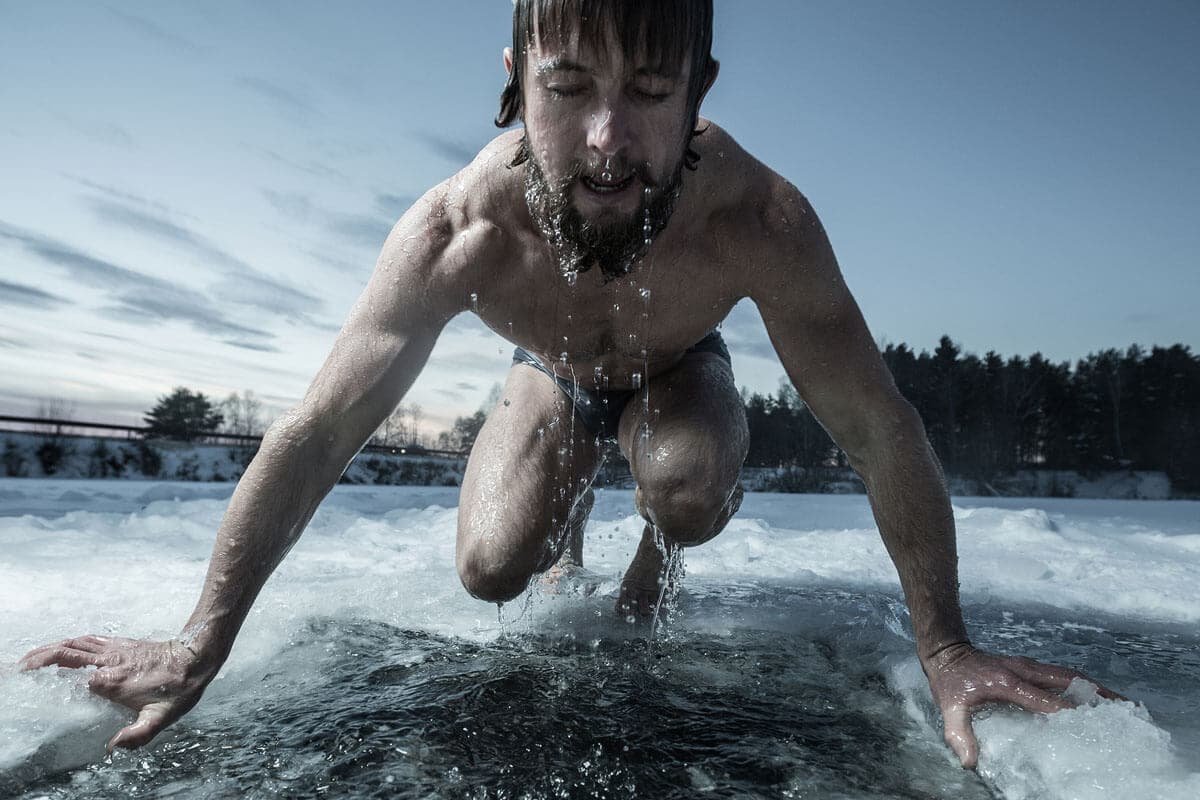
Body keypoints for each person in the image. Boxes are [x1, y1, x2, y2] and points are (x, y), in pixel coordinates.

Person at [20, 0, 1120, 770]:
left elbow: (878, 427)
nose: (607, 142)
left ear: (699, 93)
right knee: (492, 568)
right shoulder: (458, 231)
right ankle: (576, 482)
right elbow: (317, 429)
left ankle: (653, 532)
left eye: (651, 91)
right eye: (568, 86)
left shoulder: (757, 220)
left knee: (685, 484)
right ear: (515, 82)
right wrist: (200, 638)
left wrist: (945, 648)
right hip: (548, 373)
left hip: (678, 368)